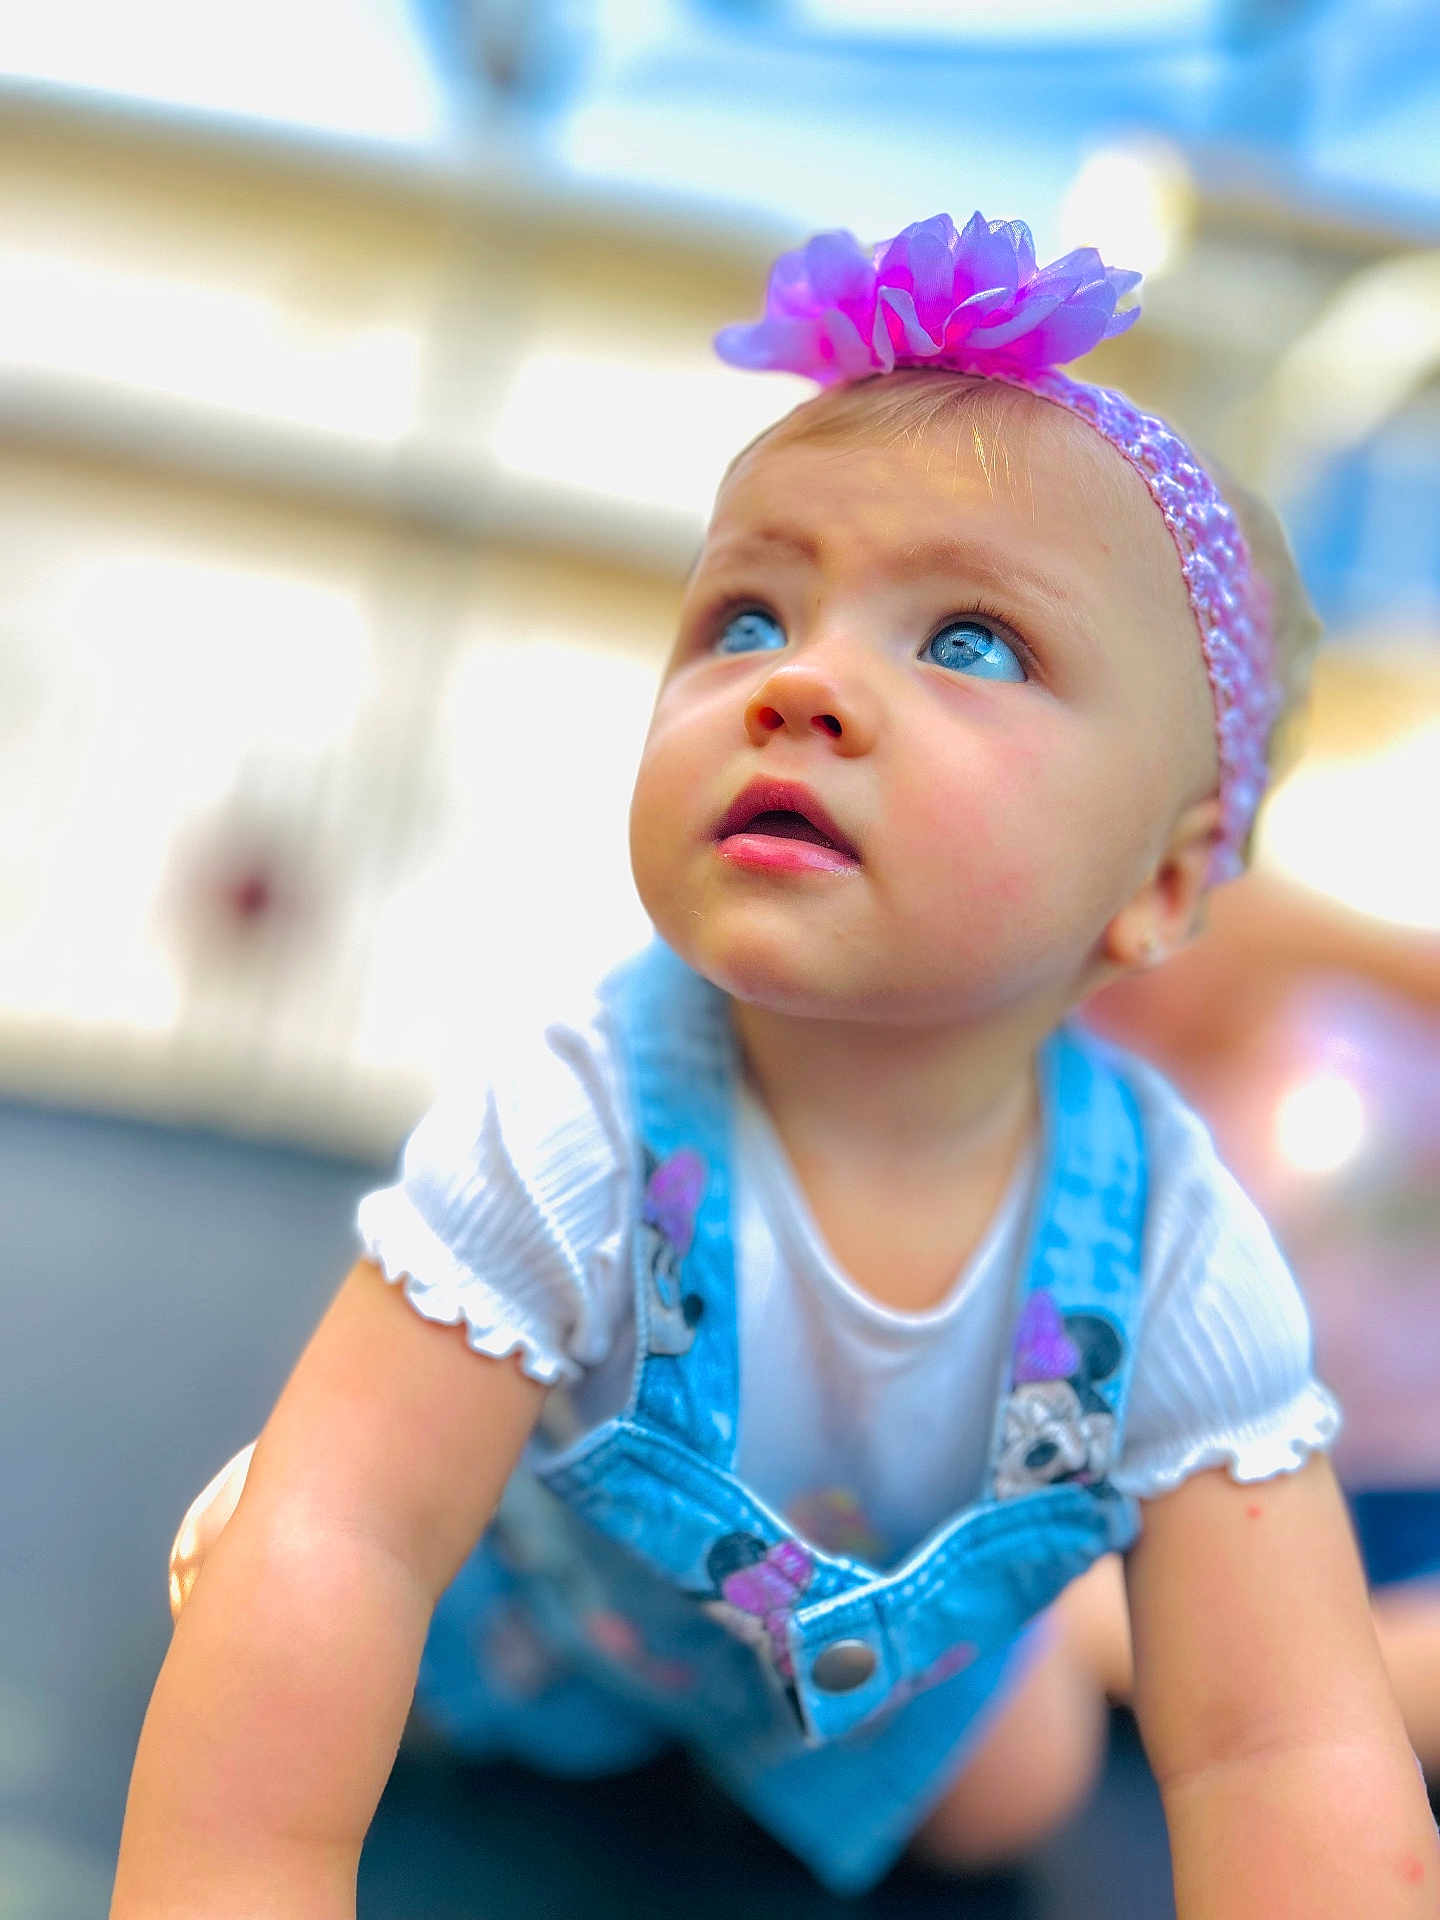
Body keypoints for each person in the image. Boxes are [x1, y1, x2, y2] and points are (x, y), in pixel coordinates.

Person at [112, 212, 1440, 1917]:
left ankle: (1003, 1667)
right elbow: (354, 1537)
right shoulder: (582, 1112)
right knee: (276, 1570)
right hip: (526, 1611)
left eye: (970, 642)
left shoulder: (1175, 1246)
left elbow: (1284, 1743)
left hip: (863, 1672)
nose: (801, 683)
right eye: (746, 615)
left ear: (1167, 882)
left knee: (1015, 1788)